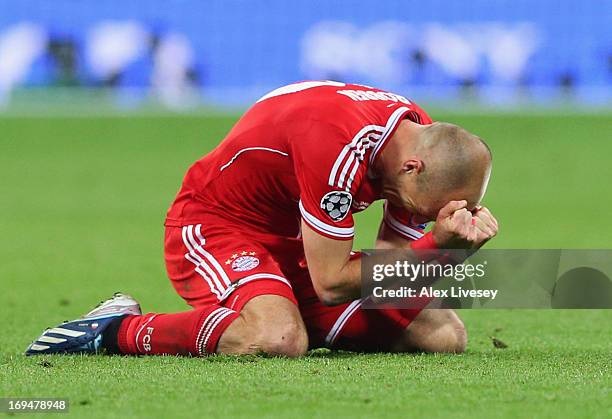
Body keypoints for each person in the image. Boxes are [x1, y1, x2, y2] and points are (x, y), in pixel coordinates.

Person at [26, 81, 498, 357]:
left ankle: (281, 309)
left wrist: (438, 255)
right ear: (412, 169)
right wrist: (439, 250)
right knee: (277, 338)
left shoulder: (415, 143)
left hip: (302, 244)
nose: (429, 218)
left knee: (444, 335)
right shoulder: (337, 146)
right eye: (429, 210)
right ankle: (112, 331)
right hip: (216, 226)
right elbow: (335, 282)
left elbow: (390, 266)